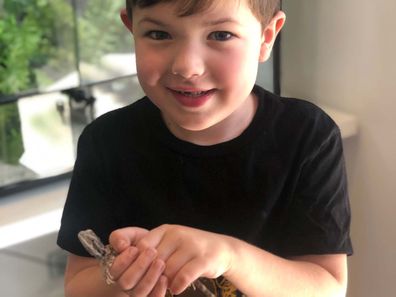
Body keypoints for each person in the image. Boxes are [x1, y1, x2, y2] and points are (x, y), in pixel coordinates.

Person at [57, 0, 353, 296]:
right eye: (159, 34)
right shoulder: (106, 141)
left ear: (266, 37)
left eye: (221, 35)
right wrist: (126, 277)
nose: (187, 67)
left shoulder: (308, 135)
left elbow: (326, 287)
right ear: (132, 29)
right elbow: (78, 284)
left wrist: (229, 255)